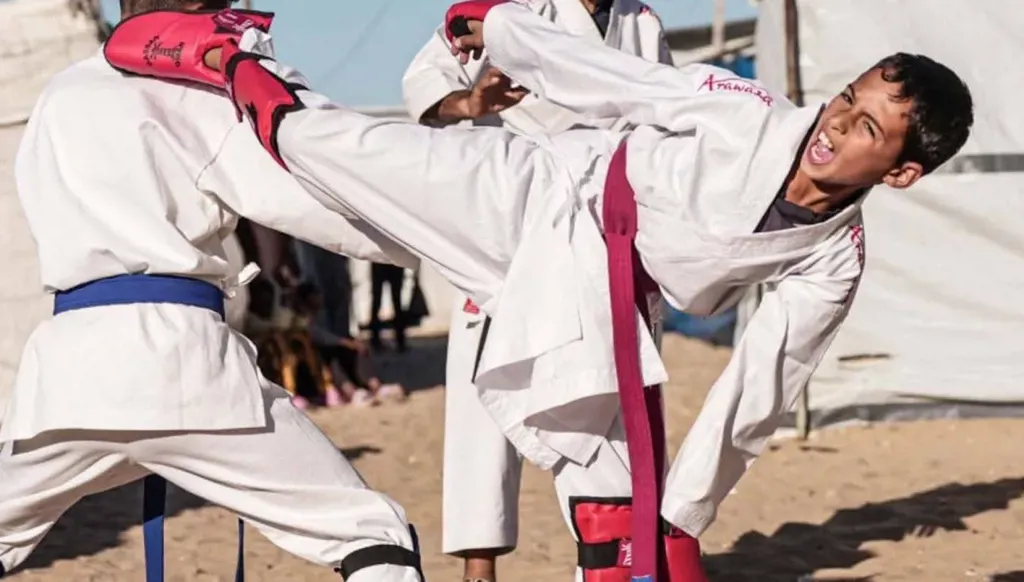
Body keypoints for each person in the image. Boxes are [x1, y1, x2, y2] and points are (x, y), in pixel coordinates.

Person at [104, 3, 974, 579]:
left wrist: (685, 515)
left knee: (615, 485)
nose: (832, 126)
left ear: (898, 172)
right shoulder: (744, 109)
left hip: (603, 297)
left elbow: (759, 388)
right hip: (536, 195)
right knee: (338, 164)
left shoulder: (834, 258)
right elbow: (621, 85)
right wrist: (509, 30)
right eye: (844, 101)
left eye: (864, 127)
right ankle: (227, 67)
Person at [0, 3, 427, 581]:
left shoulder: (59, 94)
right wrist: (430, 238)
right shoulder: (197, 90)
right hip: (187, 369)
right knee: (369, 534)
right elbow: (307, 202)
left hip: (69, 376)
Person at [401, 1, 672, 579]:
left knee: (604, 400)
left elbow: (667, 116)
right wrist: (471, 103)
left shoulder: (642, 21)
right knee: (484, 393)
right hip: (514, 217)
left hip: (610, 225)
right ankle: (480, 566)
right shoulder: (510, 9)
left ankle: (608, 561)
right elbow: (425, 85)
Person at [368, 262, 409, 351]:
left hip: (380, 260)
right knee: (396, 301)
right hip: (393, 259)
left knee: (377, 301)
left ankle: (376, 340)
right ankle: (400, 340)